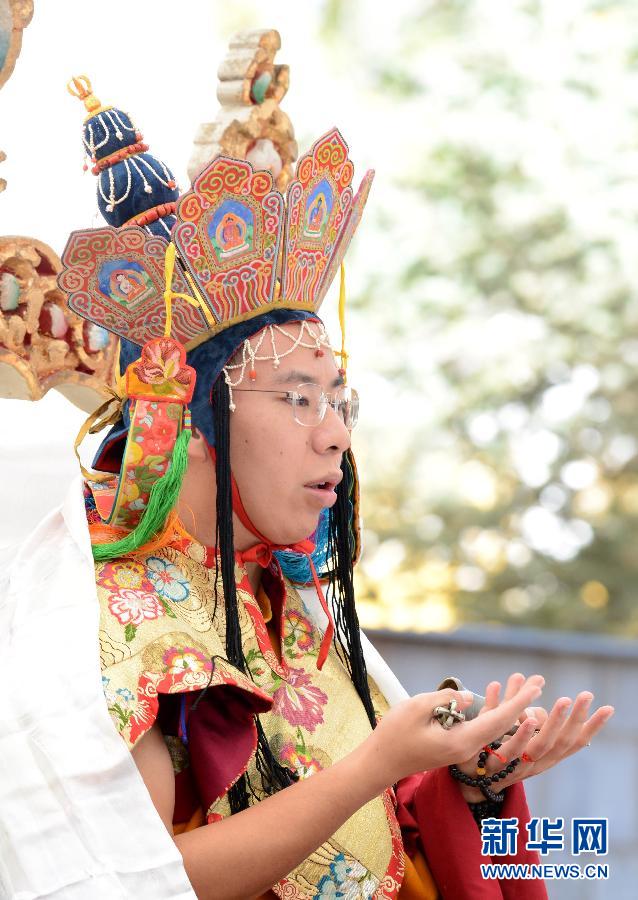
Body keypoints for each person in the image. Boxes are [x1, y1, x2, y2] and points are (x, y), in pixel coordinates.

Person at [0, 83, 613, 900]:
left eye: (339, 400)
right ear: (194, 416)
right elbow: (127, 880)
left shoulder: (288, 592)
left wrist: (474, 782)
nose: (336, 435)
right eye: (297, 398)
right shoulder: (90, 614)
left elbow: (384, 845)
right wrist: (378, 761)